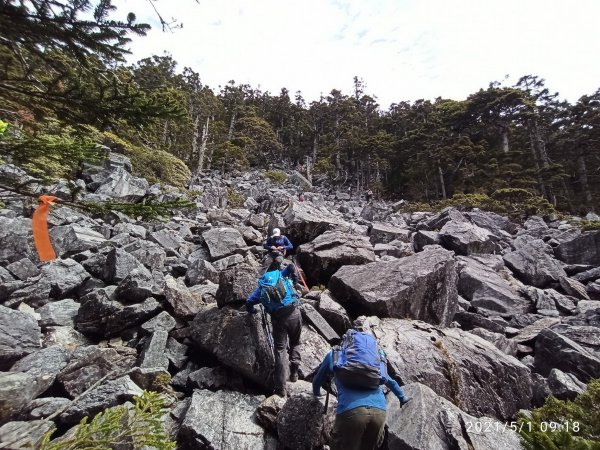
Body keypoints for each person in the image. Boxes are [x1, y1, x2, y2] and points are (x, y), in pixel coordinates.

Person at [312, 330, 411, 450]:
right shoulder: (374, 362)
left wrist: (317, 394)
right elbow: (391, 382)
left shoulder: (335, 355)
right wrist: (402, 398)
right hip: (379, 413)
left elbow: (317, 381)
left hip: (351, 412)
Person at [246, 264, 303, 397]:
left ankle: (281, 387)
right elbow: (291, 267)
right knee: (295, 342)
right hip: (294, 312)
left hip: (279, 320)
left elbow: (249, 302)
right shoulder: (280, 275)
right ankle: (294, 372)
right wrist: (295, 281)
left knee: (280, 350)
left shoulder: (261, 289)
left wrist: (252, 311)